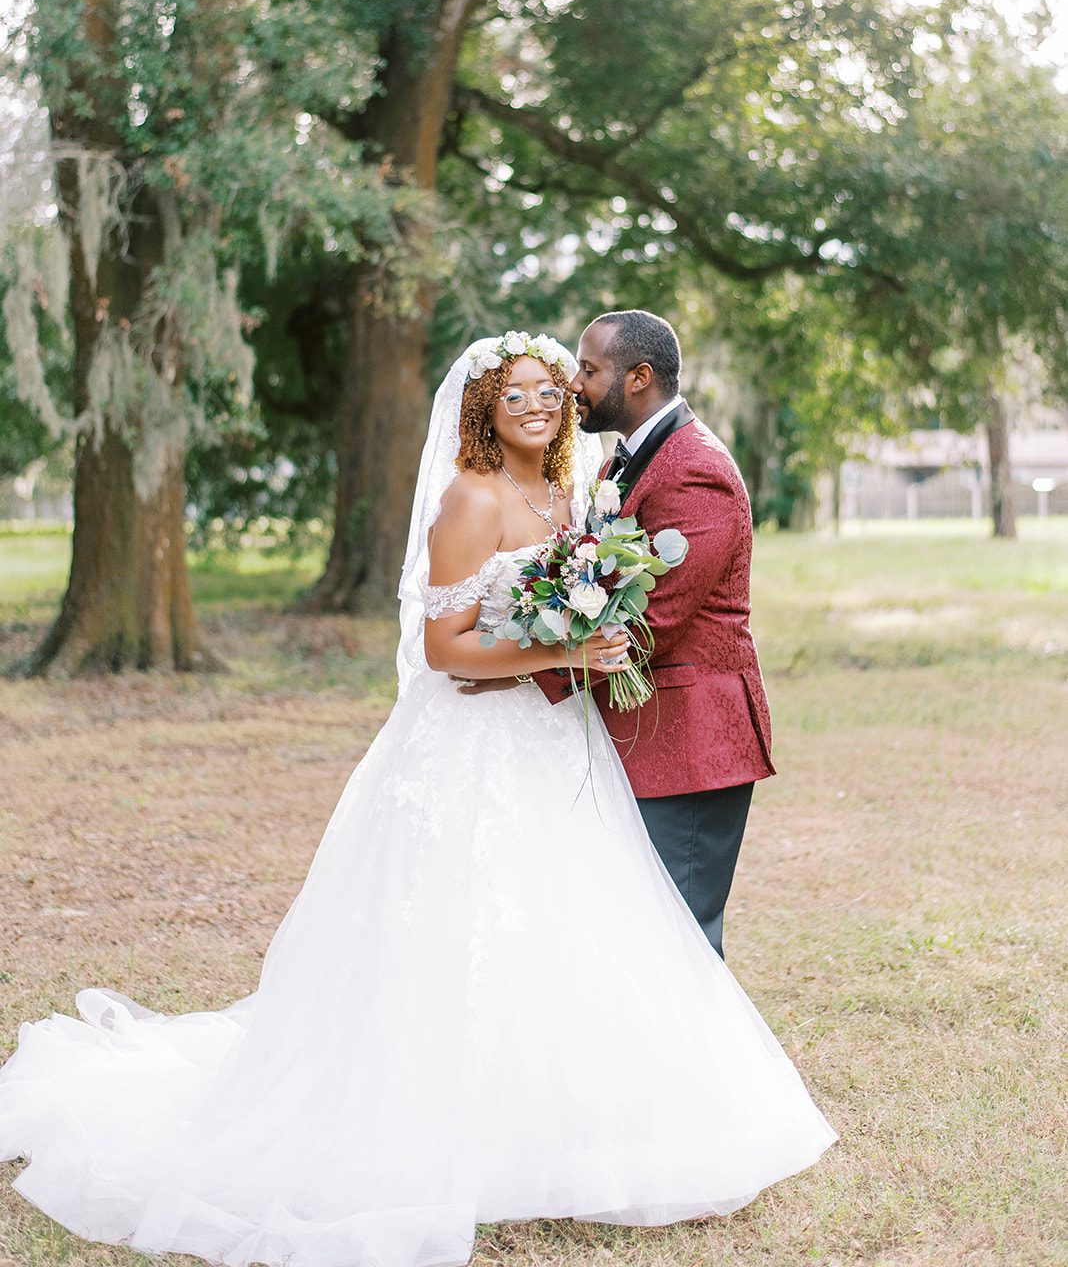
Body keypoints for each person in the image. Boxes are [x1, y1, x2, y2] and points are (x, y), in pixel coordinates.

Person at [0, 331, 834, 1267]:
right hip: (475, 740)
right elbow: (446, 651)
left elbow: (632, 606)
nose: (545, 404)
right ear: (482, 408)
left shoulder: (578, 492)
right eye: (519, 393)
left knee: (574, 927)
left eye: (556, 390)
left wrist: (559, 652)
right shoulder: (470, 499)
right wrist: (556, 653)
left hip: (560, 735)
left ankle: (571, 1121)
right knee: (454, 928)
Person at [462, 310, 774, 960]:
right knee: (635, 935)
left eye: (589, 369)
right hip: (640, 734)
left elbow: (650, 622)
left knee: (680, 938)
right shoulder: (621, 464)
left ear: (638, 378)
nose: (574, 383)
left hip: (690, 742)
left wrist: (516, 670)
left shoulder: (695, 470)